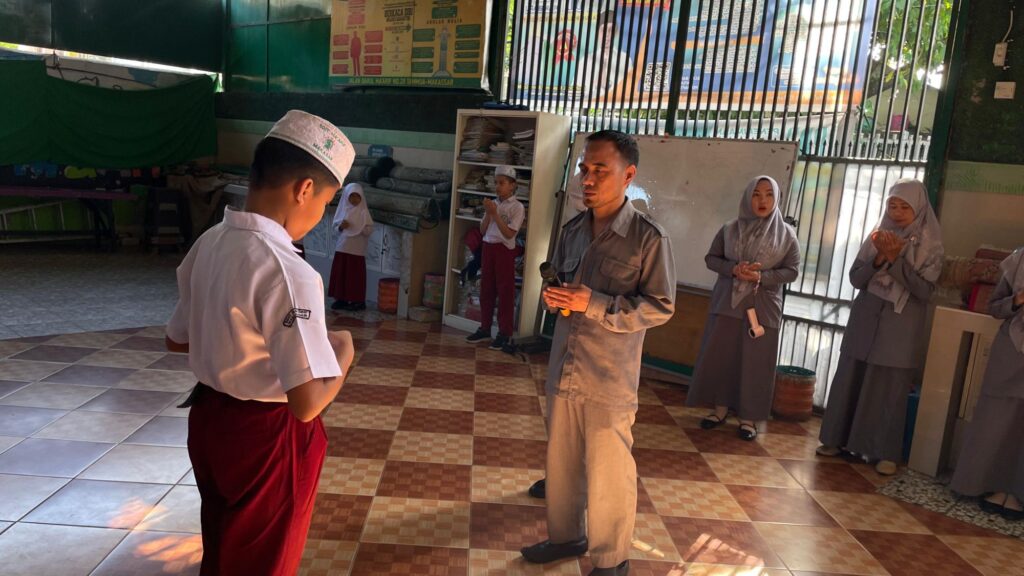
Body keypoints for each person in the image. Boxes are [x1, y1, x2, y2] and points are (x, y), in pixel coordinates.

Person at [165, 110, 357, 575]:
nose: (320, 215)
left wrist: (235, 342)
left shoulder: (210, 241)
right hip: (266, 438)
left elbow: (176, 340)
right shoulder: (289, 271)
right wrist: (344, 355)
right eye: (325, 202)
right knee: (264, 560)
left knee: (224, 546)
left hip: (209, 422)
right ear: (304, 190)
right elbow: (306, 404)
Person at [520, 130, 676, 576]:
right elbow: (562, 284)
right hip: (565, 365)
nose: (587, 180)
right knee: (562, 463)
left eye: (600, 171)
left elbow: (661, 307)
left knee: (609, 472)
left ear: (628, 175)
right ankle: (566, 536)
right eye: (584, 169)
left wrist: (595, 303)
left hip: (609, 375)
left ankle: (611, 561)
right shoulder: (572, 230)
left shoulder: (648, 238)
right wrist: (556, 298)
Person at [817, 179, 944, 476]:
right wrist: (877, 259)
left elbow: (924, 291)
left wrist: (896, 260)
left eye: (904, 207)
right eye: (892, 206)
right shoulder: (876, 237)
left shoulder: (931, 247)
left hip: (900, 327)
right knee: (851, 378)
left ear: (919, 209)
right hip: (866, 318)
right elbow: (855, 278)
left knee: (888, 390)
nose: (896, 213)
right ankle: (836, 440)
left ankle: (883, 452)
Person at [687, 176, 801, 440]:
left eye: (769, 195)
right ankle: (719, 410)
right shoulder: (730, 229)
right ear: (748, 197)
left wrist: (762, 276)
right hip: (728, 303)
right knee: (722, 357)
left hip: (763, 308)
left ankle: (748, 418)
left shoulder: (786, 235)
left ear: (777, 199)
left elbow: (792, 271)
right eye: (756, 194)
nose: (762, 200)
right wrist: (733, 269)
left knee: (755, 363)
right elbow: (711, 259)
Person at [949, 247, 1024, 520]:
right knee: (994, 420)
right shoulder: (1018, 261)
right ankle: (988, 483)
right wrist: (1017, 300)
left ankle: (1018, 492)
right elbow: (995, 307)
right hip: (1011, 348)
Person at [465, 166, 526, 353]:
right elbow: (483, 230)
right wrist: (489, 213)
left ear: (512, 185)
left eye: (502, 183)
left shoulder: (517, 207)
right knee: (486, 289)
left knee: (505, 291)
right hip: (488, 247)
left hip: (504, 249)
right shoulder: (492, 204)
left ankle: (504, 332)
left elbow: (509, 234)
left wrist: (495, 214)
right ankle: (484, 328)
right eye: (496, 183)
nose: (497, 187)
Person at [329, 183, 374, 311]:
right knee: (342, 274)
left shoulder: (364, 212)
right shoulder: (343, 210)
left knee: (354, 276)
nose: (354, 199)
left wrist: (361, 228)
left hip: (357, 249)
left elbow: (369, 230)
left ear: (361, 197)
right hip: (343, 247)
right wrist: (341, 227)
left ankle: (357, 301)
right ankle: (341, 299)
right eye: (351, 196)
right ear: (346, 197)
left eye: (357, 196)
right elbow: (335, 228)